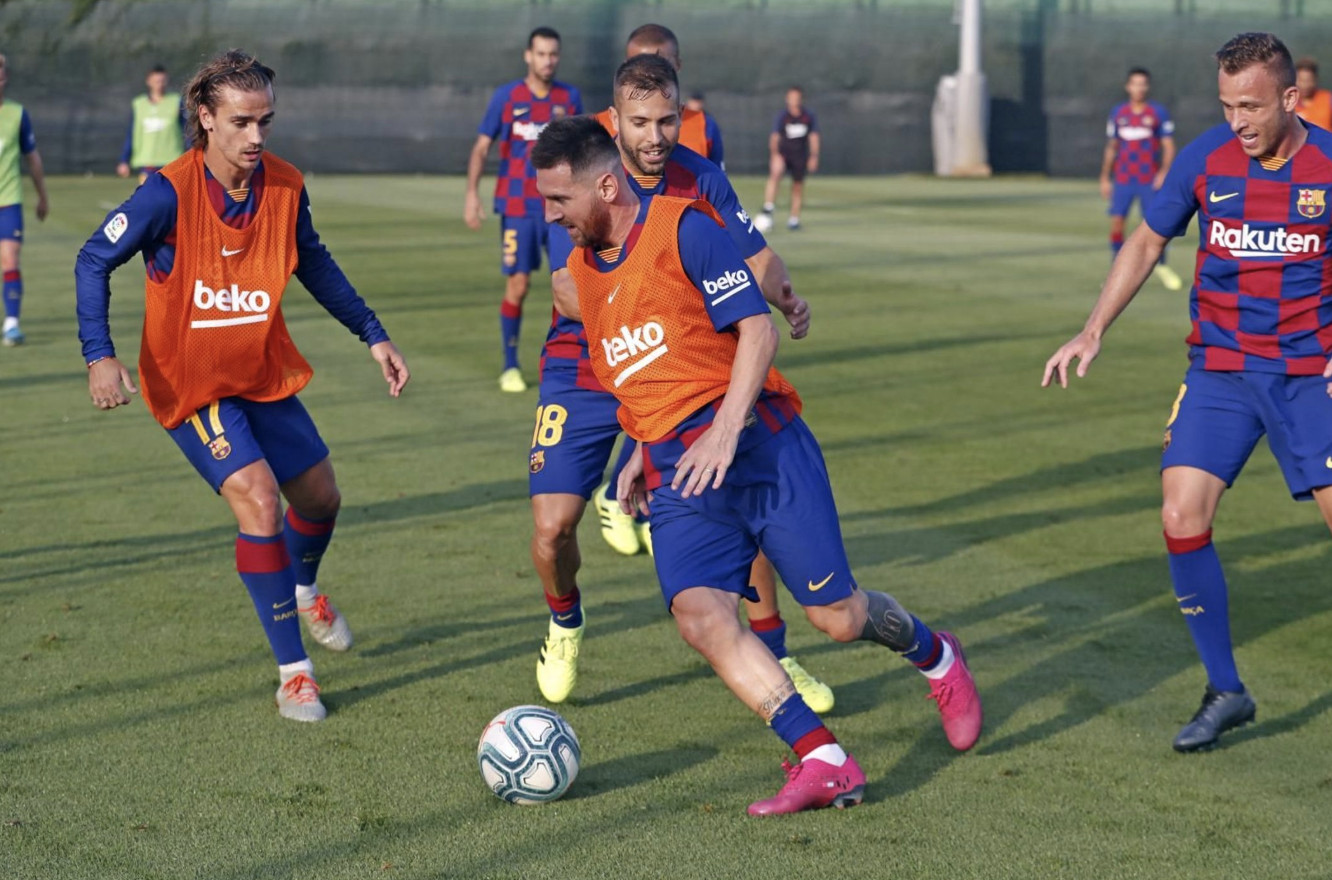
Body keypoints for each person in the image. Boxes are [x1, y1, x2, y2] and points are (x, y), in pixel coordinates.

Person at [533, 114, 982, 814]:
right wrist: (635, 450)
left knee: (835, 616)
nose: (550, 214)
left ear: (608, 186)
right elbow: (634, 372)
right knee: (699, 614)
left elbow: (757, 331)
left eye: (560, 200)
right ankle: (823, 757)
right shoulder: (583, 275)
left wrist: (724, 429)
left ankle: (938, 656)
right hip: (680, 470)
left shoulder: (686, 229)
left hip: (763, 445)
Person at [75, 50, 410, 723]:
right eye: (241, 122)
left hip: (260, 373)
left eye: (265, 121)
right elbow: (93, 258)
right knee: (258, 500)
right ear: (204, 118)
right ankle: (295, 676)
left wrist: (373, 333)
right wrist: (99, 356)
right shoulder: (166, 192)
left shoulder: (284, 185)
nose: (256, 136)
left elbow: (313, 261)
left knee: (320, 497)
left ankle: (305, 583)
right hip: (192, 387)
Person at [1043, 32, 1332, 753]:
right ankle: (1226, 689)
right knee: (1180, 514)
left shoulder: (1328, 164)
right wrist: (1093, 329)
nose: (1238, 120)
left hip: (1309, 377)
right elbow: (1147, 241)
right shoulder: (1208, 157)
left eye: (1253, 106)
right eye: (1228, 104)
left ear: (1291, 98)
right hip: (1221, 370)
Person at [532, 54, 832, 715]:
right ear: (615, 121)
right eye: (640, 122)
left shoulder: (699, 180)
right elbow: (564, 286)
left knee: (735, 490)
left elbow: (752, 254)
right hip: (587, 360)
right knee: (553, 528)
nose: (656, 136)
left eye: (668, 119)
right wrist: (642, 315)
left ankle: (775, 651)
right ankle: (565, 621)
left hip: (672, 357)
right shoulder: (581, 177)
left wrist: (783, 297)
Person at [464, 27, 583, 393]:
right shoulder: (507, 97)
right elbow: (482, 147)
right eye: (542, 53)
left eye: (554, 54)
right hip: (517, 208)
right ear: (528, 56)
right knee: (518, 284)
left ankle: (574, 363)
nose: (548, 61)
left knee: (570, 282)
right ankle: (510, 364)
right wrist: (472, 194)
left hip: (561, 211)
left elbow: (582, 153)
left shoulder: (569, 98)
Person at [592, 24, 724, 167]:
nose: (652, 74)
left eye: (662, 65)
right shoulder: (595, 128)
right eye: (640, 64)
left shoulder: (704, 126)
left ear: (678, 64)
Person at [1098, 68, 1182, 291]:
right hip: (1123, 178)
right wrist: (1105, 177)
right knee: (1117, 221)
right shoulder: (1118, 112)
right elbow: (1112, 146)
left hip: (1149, 179)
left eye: (1143, 83)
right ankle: (1116, 267)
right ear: (1128, 86)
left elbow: (1168, 145)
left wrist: (1164, 172)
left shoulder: (1157, 112)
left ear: (1148, 87)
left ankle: (1161, 266)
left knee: (1156, 225)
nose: (1139, 88)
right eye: (1135, 83)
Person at [0, 53, 49, 347]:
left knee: (10, 258)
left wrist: (42, 196)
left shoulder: (17, 114)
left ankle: (12, 324)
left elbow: (32, 159)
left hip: (8, 201)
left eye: (3, 68)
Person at [116, 63, 186, 185]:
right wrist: (124, 160)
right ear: (149, 81)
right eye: (156, 81)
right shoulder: (139, 104)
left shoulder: (175, 102)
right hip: (147, 161)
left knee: (173, 198)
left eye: (163, 80)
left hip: (172, 160)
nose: (160, 84)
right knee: (150, 198)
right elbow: (131, 133)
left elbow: (187, 131)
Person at [761, 87, 819, 231]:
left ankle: (794, 219)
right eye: (792, 97)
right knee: (775, 175)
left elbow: (814, 137)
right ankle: (768, 209)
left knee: (797, 187)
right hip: (783, 154)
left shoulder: (808, 117)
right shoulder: (783, 116)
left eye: (797, 97)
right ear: (787, 99)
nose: (795, 100)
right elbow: (774, 137)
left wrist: (814, 156)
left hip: (799, 155)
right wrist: (775, 155)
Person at [1295, 57, 1332, 130]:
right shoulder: (1288, 104)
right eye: (1301, 80)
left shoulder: (1328, 99)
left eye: (1309, 80)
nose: (1305, 85)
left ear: (1316, 79)